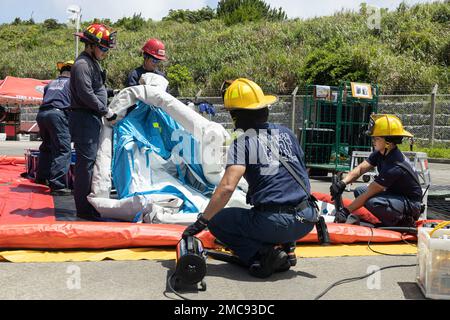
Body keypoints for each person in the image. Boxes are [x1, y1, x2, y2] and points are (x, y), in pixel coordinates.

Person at [182, 78, 318, 279]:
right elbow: (299, 173)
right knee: (263, 208)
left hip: (275, 223)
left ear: (236, 116)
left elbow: (227, 187)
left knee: (219, 221)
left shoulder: (242, 143)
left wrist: (202, 221)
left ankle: (263, 255)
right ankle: (288, 248)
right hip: (306, 219)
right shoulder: (287, 134)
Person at [331, 114, 423, 227]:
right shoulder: (381, 153)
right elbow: (360, 168)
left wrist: (345, 211)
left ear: (388, 142)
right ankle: (392, 216)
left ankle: (404, 220)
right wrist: (343, 182)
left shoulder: (395, 165)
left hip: (411, 204)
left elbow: (369, 192)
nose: (373, 141)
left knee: (371, 201)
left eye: (377, 138)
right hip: (395, 194)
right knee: (359, 191)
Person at [69, 23, 117, 220]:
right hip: (84, 119)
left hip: (90, 118)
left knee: (89, 162)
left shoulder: (91, 63)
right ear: (90, 45)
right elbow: (86, 93)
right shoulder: (82, 65)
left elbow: (95, 89)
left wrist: (113, 93)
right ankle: (83, 208)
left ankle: (86, 203)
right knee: (85, 164)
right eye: (103, 48)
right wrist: (105, 110)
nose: (105, 53)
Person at [35, 60, 74, 195]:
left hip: (42, 114)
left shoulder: (50, 84)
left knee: (47, 146)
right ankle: (57, 185)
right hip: (57, 114)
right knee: (63, 150)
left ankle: (41, 177)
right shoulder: (72, 83)